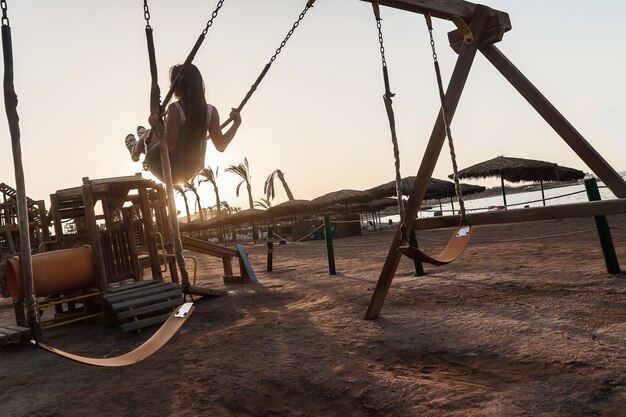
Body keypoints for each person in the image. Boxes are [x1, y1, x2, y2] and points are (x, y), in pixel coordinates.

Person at [125, 63, 242, 183]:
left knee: (148, 134)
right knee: (155, 134)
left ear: (179, 86)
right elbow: (221, 145)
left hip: (169, 168)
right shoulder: (211, 111)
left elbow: (169, 147)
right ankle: (145, 140)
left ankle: (135, 151)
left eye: (172, 83)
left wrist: (155, 127)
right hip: (191, 168)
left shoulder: (175, 109)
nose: (171, 86)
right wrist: (236, 124)